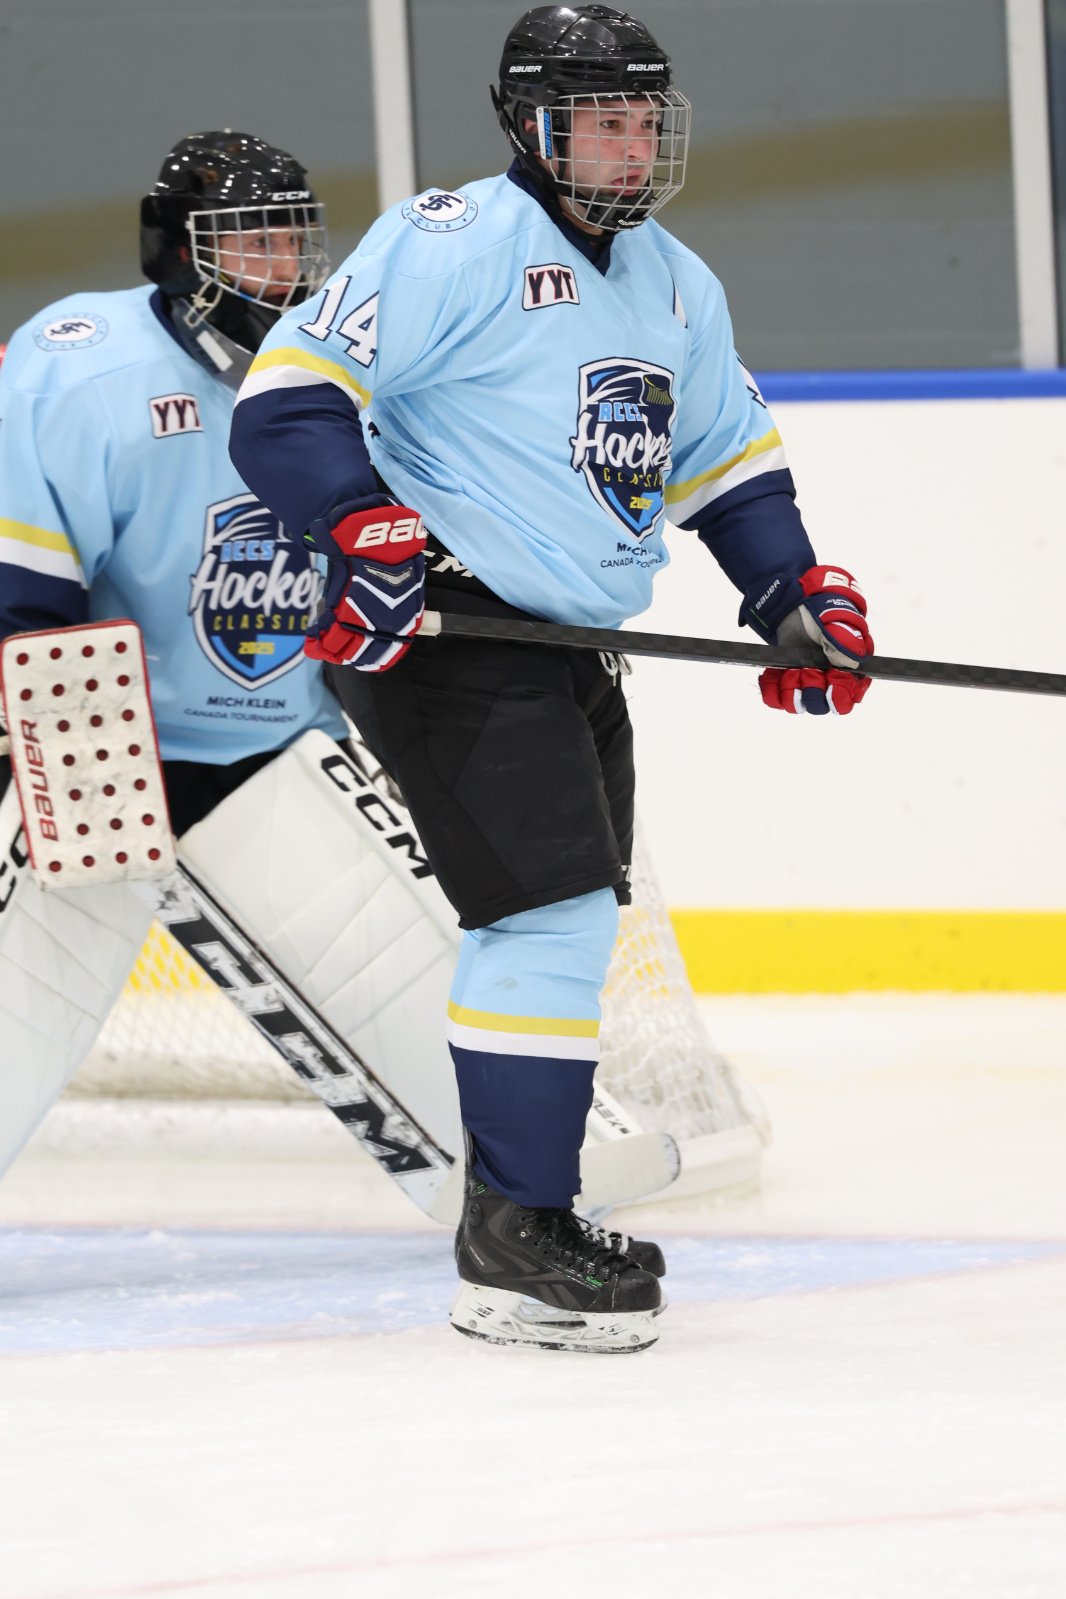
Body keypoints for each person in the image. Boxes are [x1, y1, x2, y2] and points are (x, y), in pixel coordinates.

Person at [229, 4, 873, 1353]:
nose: (631, 146)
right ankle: (519, 1237)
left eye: (645, 120)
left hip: (566, 643)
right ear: (533, 124)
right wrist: (361, 525)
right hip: (447, 627)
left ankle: (510, 1225)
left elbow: (725, 465)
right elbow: (287, 399)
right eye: (602, 121)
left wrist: (789, 593)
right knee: (547, 918)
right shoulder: (451, 241)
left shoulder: (677, 283)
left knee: (560, 919)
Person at [0, 131, 348, 1173]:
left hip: (295, 753)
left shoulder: (347, 366)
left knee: (414, 971)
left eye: (291, 242)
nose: (279, 270)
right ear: (181, 252)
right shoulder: (84, 365)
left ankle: (517, 1186)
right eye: (250, 243)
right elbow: (27, 588)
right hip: (112, 752)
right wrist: (48, 747)